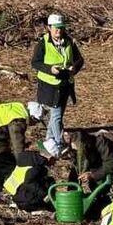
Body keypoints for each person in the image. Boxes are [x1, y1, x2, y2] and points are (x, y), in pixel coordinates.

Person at [0, 100, 45, 203]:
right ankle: (18, 195)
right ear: (33, 116)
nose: (34, 124)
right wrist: (22, 162)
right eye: (36, 121)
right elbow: (17, 144)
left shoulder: (16, 107)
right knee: (11, 168)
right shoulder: (18, 120)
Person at [30, 13, 83, 151]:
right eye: (55, 28)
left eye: (61, 27)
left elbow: (79, 60)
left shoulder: (69, 42)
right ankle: (60, 144)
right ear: (49, 28)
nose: (58, 30)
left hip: (65, 84)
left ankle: (49, 142)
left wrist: (74, 69)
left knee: (56, 116)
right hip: (49, 86)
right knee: (56, 116)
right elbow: (35, 63)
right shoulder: (42, 43)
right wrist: (50, 69)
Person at [63, 129, 113, 212]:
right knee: (96, 185)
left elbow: (112, 163)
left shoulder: (101, 143)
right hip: (104, 166)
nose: (77, 152)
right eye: (75, 150)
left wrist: (92, 175)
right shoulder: (77, 151)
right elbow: (75, 169)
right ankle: (104, 204)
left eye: (79, 150)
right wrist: (71, 194)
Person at [3, 141, 61, 212]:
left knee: (47, 181)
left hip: (17, 195)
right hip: (25, 201)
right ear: (50, 157)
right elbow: (29, 183)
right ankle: (50, 206)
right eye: (55, 160)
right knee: (49, 183)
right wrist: (45, 194)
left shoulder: (30, 160)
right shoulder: (36, 167)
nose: (54, 163)